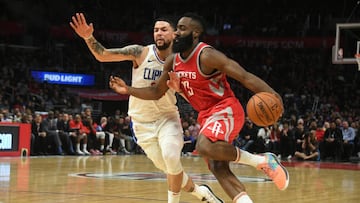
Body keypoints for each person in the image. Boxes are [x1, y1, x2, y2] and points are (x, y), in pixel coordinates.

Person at [109, 12, 289, 203]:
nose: (177, 33)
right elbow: (155, 93)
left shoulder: (207, 55)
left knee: (203, 146)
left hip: (225, 108)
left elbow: (245, 77)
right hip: (206, 115)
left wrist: (274, 96)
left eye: (182, 29)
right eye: (177, 28)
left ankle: (262, 161)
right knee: (217, 167)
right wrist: (128, 89)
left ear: (195, 33)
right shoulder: (173, 61)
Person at [70, 12, 223, 203]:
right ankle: (202, 193)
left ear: (174, 34)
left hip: (167, 118)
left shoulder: (180, 61)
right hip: (141, 124)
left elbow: (188, 93)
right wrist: (88, 37)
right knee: (172, 170)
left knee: (170, 157)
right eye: (156, 30)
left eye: (164, 30)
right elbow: (103, 55)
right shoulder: (140, 52)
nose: (159, 33)